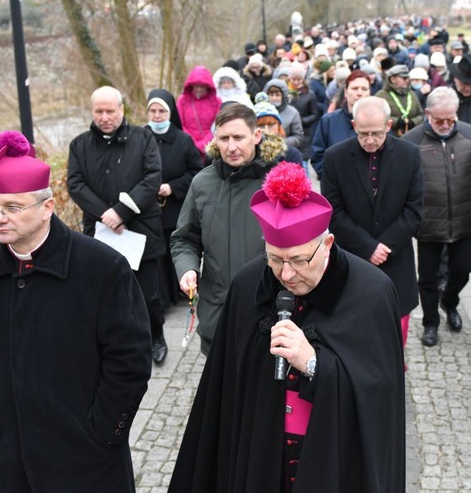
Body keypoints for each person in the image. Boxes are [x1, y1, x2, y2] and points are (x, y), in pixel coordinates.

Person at [168, 162, 405, 492]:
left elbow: (379, 396)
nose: (287, 274)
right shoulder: (248, 283)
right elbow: (227, 388)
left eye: (298, 260)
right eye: (275, 259)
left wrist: (314, 364)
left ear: (327, 244)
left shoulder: (372, 292)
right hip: (261, 459)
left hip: (333, 463)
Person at [0, 131, 152, 491]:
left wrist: (105, 433)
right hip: (14, 454)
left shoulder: (101, 268)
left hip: (88, 455)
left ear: (47, 207)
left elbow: (130, 361)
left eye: (12, 207)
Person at [68, 86, 168, 364]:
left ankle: (156, 338)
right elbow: (75, 185)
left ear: (121, 110)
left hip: (141, 230)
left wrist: (122, 211)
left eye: (110, 111)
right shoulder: (79, 145)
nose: (104, 117)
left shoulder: (143, 138)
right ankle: (116, 345)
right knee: (107, 293)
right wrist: (106, 214)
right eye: (99, 111)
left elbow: (152, 178)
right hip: (101, 233)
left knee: (149, 294)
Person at [170, 104, 280, 355]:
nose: (231, 147)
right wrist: (186, 268)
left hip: (268, 313)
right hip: (216, 313)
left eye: (239, 137)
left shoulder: (277, 182)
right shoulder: (202, 183)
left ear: (257, 136)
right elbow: (184, 239)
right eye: (224, 138)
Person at [321, 96, 423, 351]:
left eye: (376, 133)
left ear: (388, 126)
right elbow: (333, 212)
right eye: (363, 133)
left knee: (394, 336)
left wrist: (384, 245)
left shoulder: (409, 154)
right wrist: (367, 247)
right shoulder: (335, 157)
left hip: (396, 258)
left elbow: (414, 209)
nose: (369, 140)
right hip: (352, 260)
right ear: (354, 125)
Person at [403, 87, 471, 344]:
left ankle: (450, 302)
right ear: (428, 114)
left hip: (463, 219)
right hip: (428, 223)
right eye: (438, 120)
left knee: (462, 270)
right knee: (428, 277)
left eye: (450, 119)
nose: (445, 125)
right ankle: (430, 321)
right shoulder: (412, 141)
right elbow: (403, 184)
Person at [145, 89, 204, 308]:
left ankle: (181, 290)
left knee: (175, 250)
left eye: (161, 111)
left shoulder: (183, 140)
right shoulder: (141, 137)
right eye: (153, 111)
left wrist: (172, 187)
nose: (157, 115)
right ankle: (162, 297)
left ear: (170, 113)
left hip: (175, 206)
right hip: (147, 208)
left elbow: (196, 172)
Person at [310, 70, 371, 178]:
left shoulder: (379, 121)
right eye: (355, 88)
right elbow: (317, 157)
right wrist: (333, 179)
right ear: (346, 92)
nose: (360, 93)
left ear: (369, 93)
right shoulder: (329, 121)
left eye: (364, 89)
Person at [176, 65, 222, 158]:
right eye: (197, 86)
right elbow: (179, 123)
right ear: (191, 85)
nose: (199, 89)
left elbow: (218, 124)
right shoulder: (182, 100)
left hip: (210, 147)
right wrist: (190, 142)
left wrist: (203, 144)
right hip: (186, 146)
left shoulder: (216, 101)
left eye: (202, 86)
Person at [287, 63, 322, 172]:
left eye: (299, 80)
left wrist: (302, 121)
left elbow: (315, 114)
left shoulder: (309, 94)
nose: (296, 83)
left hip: (304, 134)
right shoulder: (285, 93)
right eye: (294, 79)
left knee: (303, 166)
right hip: (287, 133)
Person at [375, 64, 424, 136]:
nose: (407, 81)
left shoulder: (412, 94)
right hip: (389, 136)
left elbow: (421, 114)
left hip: (412, 136)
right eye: (404, 78)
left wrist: (413, 122)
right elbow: (377, 116)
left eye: (408, 78)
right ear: (393, 79)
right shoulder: (381, 95)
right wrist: (397, 122)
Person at [255, 100, 304, 166]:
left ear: (278, 126)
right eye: (261, 125)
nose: (266, 129)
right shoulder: (248, 155)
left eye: (271, 124)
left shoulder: (291, 154)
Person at [261, 79, 306, 150]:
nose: (274, 98)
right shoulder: (259, 111)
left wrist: (280, 142)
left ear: (284, 96)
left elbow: (298, 137)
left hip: (284, 152)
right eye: (271, 95)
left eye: (277, 95)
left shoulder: (293, 113)